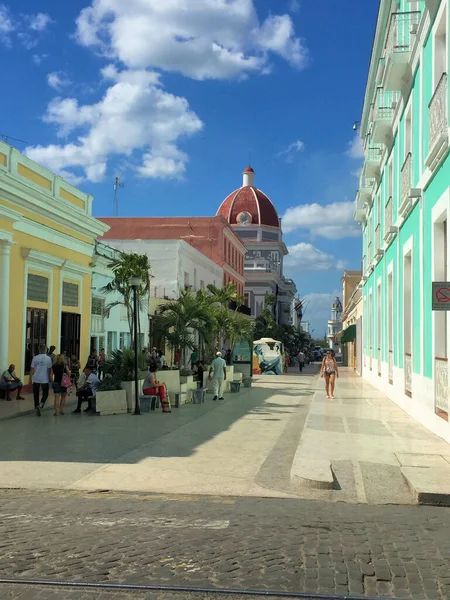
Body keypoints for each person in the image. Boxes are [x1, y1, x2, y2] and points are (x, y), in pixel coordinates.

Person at [30, 344, 53, 416]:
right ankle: (41, 404)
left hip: (36, 378)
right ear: (46, 350)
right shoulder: (48, 358)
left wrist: (30, 379)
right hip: (44, 379)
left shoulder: (35, 358)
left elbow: (32, 369)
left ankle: (36, 406)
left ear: (39, 350)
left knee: (36, 394)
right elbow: (49, 370)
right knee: (45, 393)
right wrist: (50, 379)